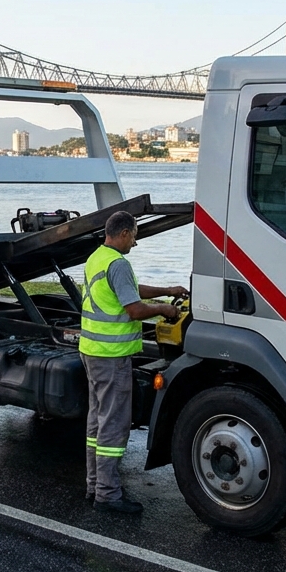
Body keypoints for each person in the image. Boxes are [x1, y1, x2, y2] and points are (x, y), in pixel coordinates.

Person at [81, 211, 188, 515]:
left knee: (96, 422)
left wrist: (167, 290)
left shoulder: (97, 258)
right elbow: (135, 309)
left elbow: (131, 291)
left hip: (92, 350)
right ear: (125, 233)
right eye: (135, 235)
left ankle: (94, 486)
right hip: (111, 356)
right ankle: (108, 495)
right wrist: (165, 311)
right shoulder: (118, 263)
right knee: (113, 426)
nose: (136, 242)